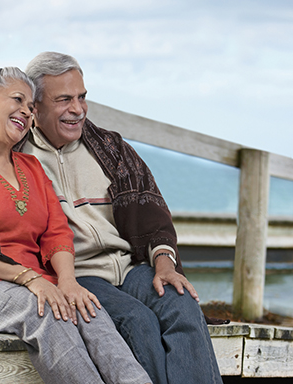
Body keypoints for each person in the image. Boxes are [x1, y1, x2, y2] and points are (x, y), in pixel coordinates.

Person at [0, 67, 152, 384]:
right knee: (43, 312)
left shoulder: (31, 166)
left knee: (91, 311)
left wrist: (69, 281)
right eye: (17, 99)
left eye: (32, 107)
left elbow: (56, 232)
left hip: (34, 285)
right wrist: (30, 279)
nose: (27, 112)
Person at [21, 52, 226, 384]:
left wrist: (163, 261)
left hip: (132, 268)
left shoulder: (111, 148)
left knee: (180, 301)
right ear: (36, 106)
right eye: (64, 100)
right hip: (79, 276)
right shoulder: (19, 157)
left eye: (82, 97)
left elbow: (153, 214)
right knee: (137, 321)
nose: (77, 109)